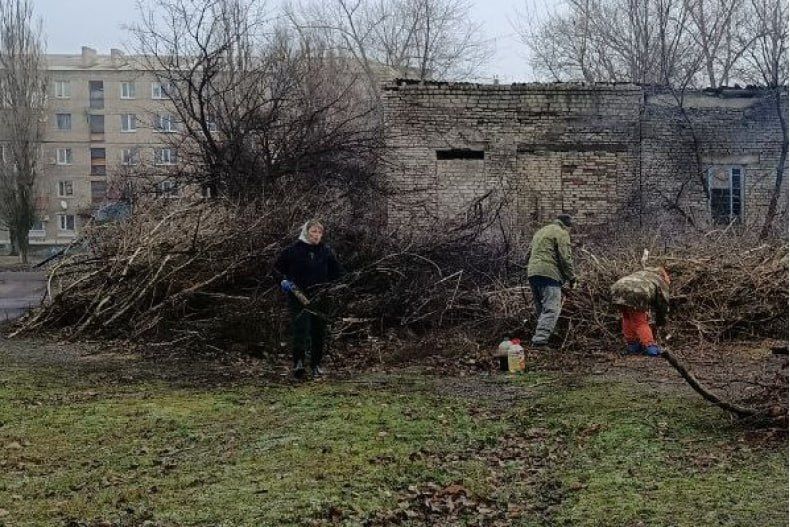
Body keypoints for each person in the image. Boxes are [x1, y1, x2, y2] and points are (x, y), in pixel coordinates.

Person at [274, 220, 343, 379]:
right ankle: (298, 363)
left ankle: (316, 365)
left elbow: (337, 272)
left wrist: (337, 286)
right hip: (298, 296)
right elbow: (276, 269)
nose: (316, 235)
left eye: (319, 232)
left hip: (320, 296)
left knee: (319, 331)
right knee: (301, 329)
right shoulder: (292, 250)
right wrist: (283, 281)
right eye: (313, 232)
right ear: (306, 232)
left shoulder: (325, 251)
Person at [526, 214, 577, 348]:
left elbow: (528, 254)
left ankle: (548, 336)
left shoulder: (540, 232)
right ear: (567, 226)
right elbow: (565, 258)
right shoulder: (561, 232)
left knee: (542, 309)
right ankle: (539, 342)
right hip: (549, 273)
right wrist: (572, 277)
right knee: (552, 309)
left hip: (532, 272)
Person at [610, 266, 670, 357]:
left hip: (617, 288)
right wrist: (660, 322)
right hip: (636, 292)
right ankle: (651, 348)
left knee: (627, 317)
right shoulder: (660, 281)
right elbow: (662, 306)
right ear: (663, 276)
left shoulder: (642, 273)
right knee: (640, 322)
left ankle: (633, 346)